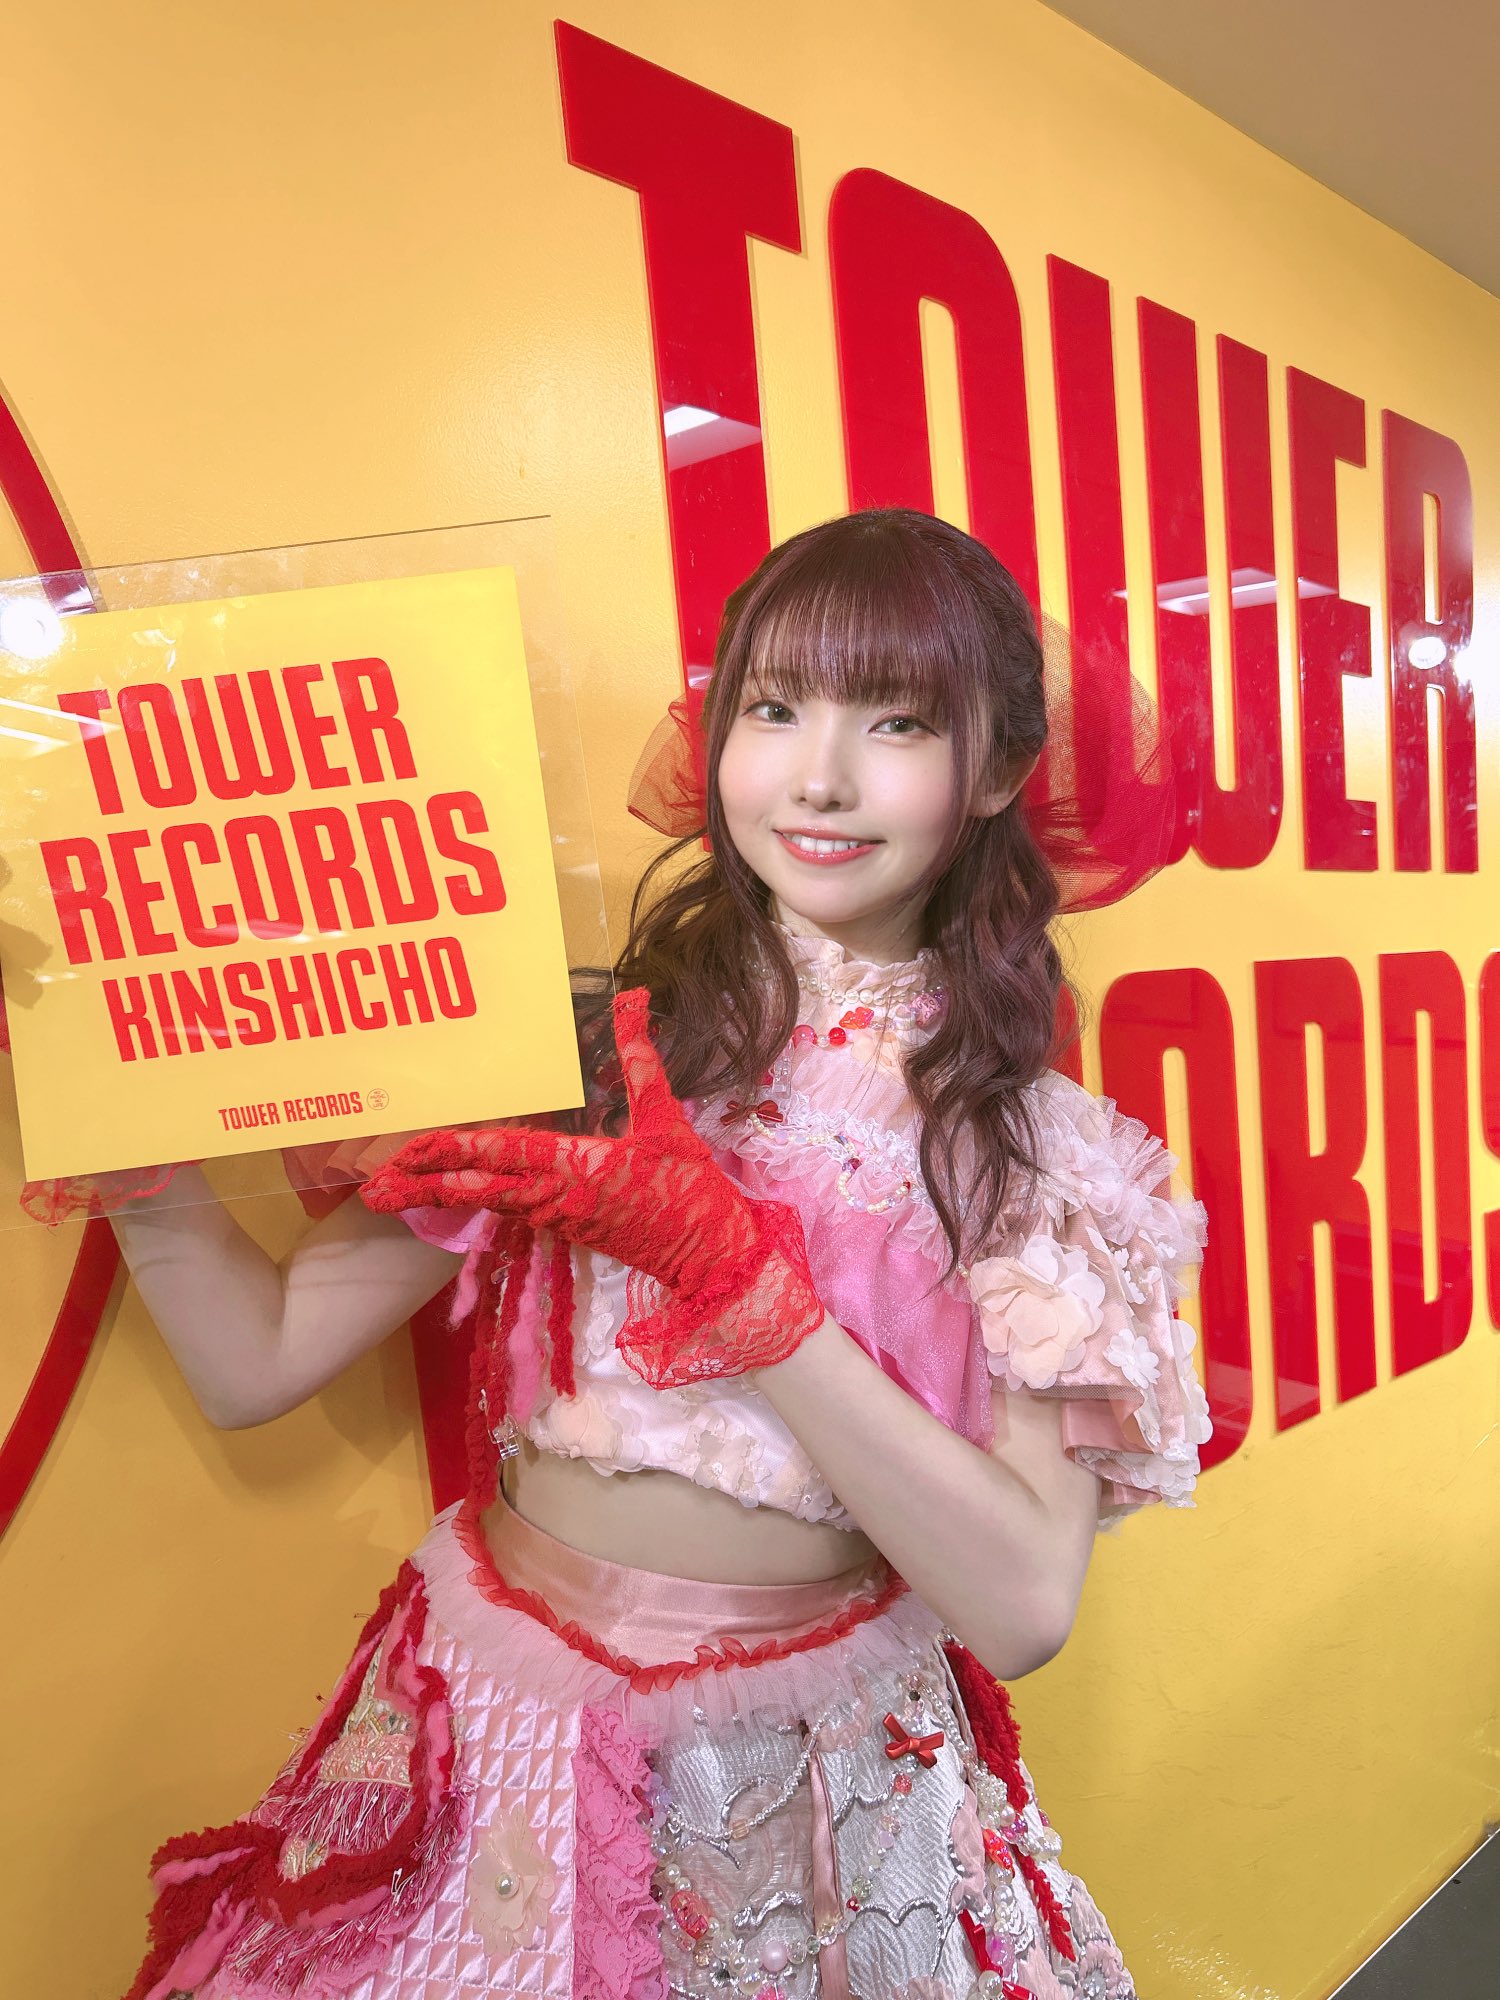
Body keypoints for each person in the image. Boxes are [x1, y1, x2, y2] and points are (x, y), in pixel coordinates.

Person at [95, 508, 1211, 2000]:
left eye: (897, 722)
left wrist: (744, 1289)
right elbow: (257, 1361)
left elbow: (1021, 1609)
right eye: (774, 707)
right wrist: (117, 1123)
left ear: (1002, 768)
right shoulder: (589, 1051)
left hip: (797, 1802)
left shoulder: (1031, 1155)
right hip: (489, 1735)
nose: (819, 777)